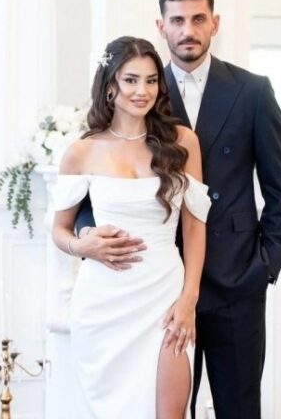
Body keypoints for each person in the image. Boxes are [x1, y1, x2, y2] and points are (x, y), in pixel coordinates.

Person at [75, 0, 281, 418]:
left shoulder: (253, 91)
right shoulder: (141, 93)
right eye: (177, 20)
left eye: (198, 19)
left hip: (237, 280)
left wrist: (264, 267)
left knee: (240, 408)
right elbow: (89, 196)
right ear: (161, 27)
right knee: (166, 410)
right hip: (158, 287)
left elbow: (280, 193)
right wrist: (88, 237)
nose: (187, 30)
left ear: (215, 23)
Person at [51, 36, 212, 418]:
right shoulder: (82, 151)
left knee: (170, 412)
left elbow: (194, 227)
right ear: (110, 86)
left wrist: (188, 299)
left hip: (164, 294)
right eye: (131, 80)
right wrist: (81, 247)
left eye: (151, 80)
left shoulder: (183, 142)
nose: (143, 91)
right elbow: (59, 229)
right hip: (103, 302)